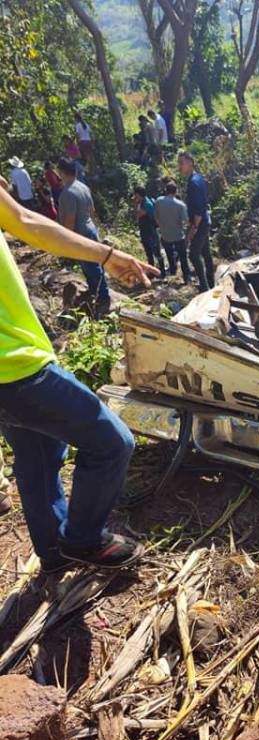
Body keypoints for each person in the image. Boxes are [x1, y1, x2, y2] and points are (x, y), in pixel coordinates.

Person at [0, 174, 157, 570]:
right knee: (111, 443)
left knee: (38, 459)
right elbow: (30, 223)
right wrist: (107, 255)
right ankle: (83, 541)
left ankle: (53, 554)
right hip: (15, 365)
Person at [57, 158, 110, 311]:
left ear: (61, 172)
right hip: (90, 229)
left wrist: (65, 240)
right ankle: (95, 291)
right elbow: (92, 211)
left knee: (91, 266)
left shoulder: (67, 193)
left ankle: (103, 298)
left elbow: (69, 220)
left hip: (80, 234)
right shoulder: (83, 186)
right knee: (91, 265)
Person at [178, 151, 214, 293]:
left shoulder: (193, 182)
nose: (179, 167)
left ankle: (205, 287)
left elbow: (199, 208)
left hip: (200, 222)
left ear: (190, 163)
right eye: (178, 163)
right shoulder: (198, 178)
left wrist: (194, 227)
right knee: (205, 252)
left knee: (193, 254)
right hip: (204, 220)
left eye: (182, 163)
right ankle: (211, 282)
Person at [155, 181, 190, 284]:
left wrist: (162, 226)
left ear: (166, 190)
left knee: (169, 255)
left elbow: (156, 217)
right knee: (183, 258)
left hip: (165, 235)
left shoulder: (159, 201)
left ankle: (173, 271)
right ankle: (186, 278)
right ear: (176, 191)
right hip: (178, 235)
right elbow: (186, 221)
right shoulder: (180, 205)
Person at [132, 185, 166, 278]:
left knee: (156, 252)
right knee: (149, 253)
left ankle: (162, 273)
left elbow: (137, 215)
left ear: (139, 195)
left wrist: (135, 204)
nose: (134, 197)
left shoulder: (146, 203)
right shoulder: (142, 202)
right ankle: (152, 272)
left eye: (135, 195)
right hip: (145, 230)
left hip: (150, 231)